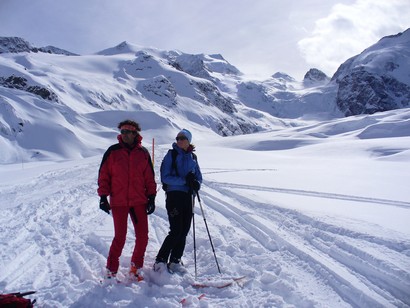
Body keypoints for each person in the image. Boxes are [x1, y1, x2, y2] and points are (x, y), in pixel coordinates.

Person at [97, 119, 157, 281]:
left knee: (143, 236)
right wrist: (103, 196)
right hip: (119, 202)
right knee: (120, 237)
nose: (123, 135)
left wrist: (151, 197)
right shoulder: (113, 152)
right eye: (122, 132)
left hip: (139, 201)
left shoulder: (143, 153)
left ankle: (136, 267)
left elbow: (149, 178)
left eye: (127, 132)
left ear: (134, 133)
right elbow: (104, 176)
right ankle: (111, 269)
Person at [154, 128, 202, 274]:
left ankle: (175, 260)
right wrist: (184, 181)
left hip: (188, 197)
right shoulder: (171, 154)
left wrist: (196, 184)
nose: (179, 140)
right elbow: (165, 177)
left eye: (183, 138)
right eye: (178, 138)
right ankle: (160, 260)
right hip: (174, 196)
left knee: (184, 230)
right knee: (176, 230)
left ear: (189, 140)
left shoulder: (193, 157)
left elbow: (199, 176)